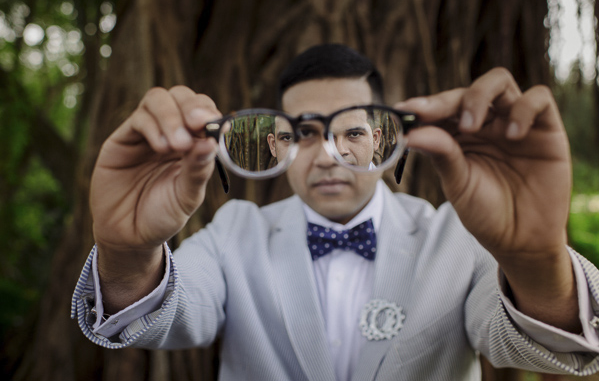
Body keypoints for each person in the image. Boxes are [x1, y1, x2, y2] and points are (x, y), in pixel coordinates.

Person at [72, 44, 599, 380]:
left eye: (351, 131)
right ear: (276, 145)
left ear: (384, 139)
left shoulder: (458, 235)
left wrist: (536, 261)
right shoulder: (235, 232)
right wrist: (127, 253)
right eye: (303, 134)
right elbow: (171, 317)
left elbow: (532, 345)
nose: (328, 153)